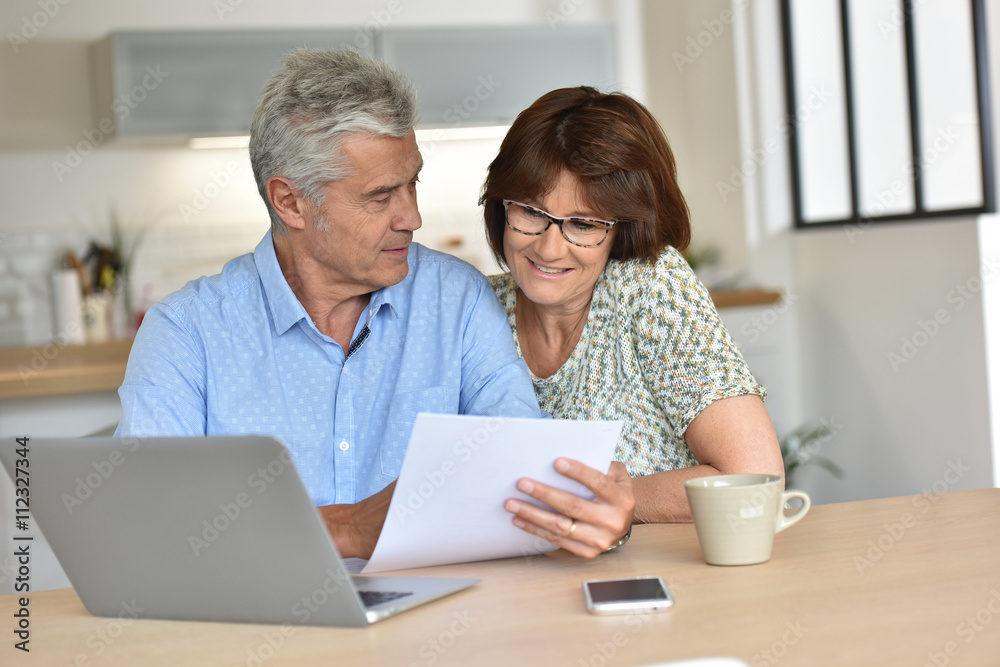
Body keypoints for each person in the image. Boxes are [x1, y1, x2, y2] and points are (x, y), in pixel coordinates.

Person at [115, 49, 542, 559]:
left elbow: (524, 480)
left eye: (413, 183)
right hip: (256, 626)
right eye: (381, 196)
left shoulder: (458, 300)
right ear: (290, 202)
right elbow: (146, 528)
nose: (412, 216)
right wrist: (345, 529)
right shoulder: (186, 333)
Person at [482, 87, 784, 558]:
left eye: (583, 224)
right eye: (530, 212)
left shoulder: (647, 286)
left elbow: (755, 477)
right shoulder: (478, 308)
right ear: (502, 205)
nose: (548, 247)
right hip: (530, 592)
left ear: (624, 230)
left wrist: (614, 500)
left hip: (669, 590)